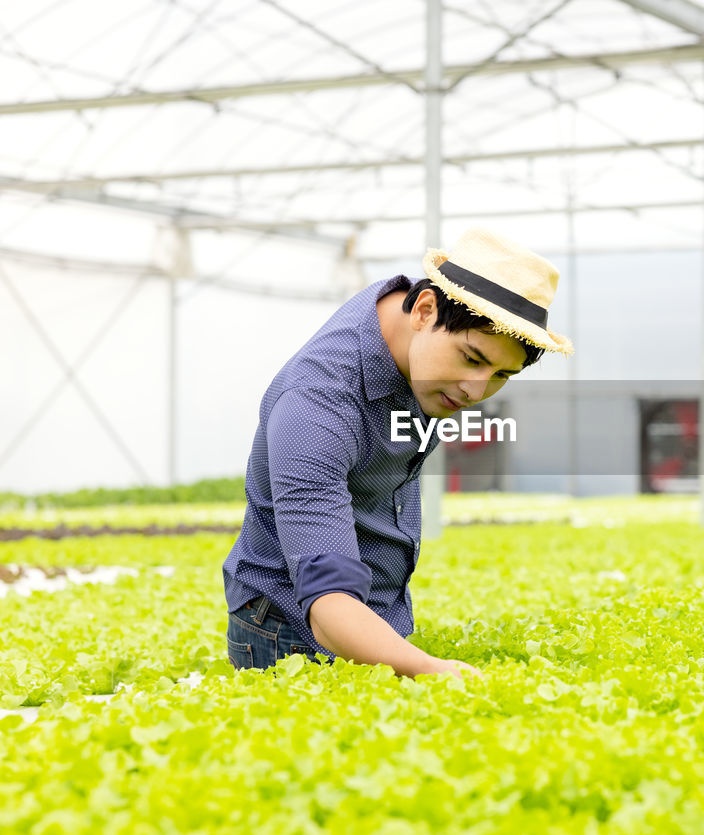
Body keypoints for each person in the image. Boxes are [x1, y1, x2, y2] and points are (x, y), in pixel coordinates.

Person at [222, 227, 573, 679]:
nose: (476, 390)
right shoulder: (317, 406)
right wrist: (433, 671)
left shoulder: (419, 341)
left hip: (372, 616)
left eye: (502, 374)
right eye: (471, 358)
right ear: (425, 311)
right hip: (290, 628)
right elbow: (329, 606)